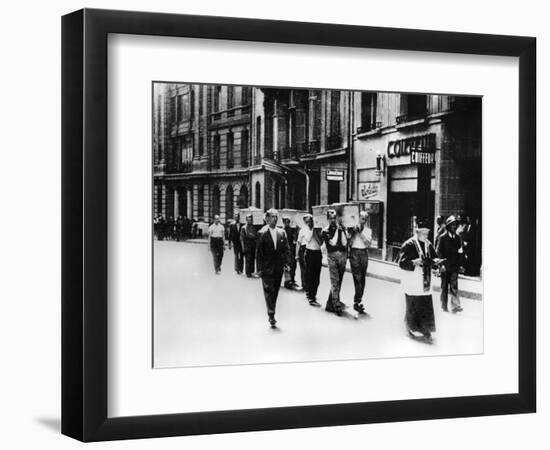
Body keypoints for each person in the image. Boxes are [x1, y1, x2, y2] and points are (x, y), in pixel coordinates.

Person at [398, 217, 443, 342]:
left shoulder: (428, 244)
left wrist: (437, 262)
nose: (426, 235)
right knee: (413, 304)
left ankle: (425, 327)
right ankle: (410, 327)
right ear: (417, 232)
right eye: (423, 233)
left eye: (427, 233)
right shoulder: (408, 244)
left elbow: (433, 258)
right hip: (413, 279)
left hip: (425, 280)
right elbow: (401, 263)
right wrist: (413, 262)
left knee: (425, 304)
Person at [255, 209, 290, 328]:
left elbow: (286, 250)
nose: (275, 219)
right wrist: (259, 269)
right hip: (267, 268)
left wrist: (287, 264)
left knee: (275, 291)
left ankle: (272, 309)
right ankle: (271, 314)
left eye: (276, 217)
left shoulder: (282, 232)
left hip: (278, 267)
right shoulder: (262, 233)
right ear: (267, 219)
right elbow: (259, 253)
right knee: (268, 291)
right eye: (272, 217)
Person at [321, 209, 350, 316]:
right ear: (327, 219)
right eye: (331, 218)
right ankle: (336, 305)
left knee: (339, 280)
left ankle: (330, 303)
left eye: (335, 218)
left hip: (342, 256)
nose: (333, 220)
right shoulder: (325, 231)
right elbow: (332, 242)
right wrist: (339, 230)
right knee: (335, 281)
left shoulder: (342, 229)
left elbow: (346, 241)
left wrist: (344, 230)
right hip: (332, 256)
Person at [436, 215, 463, 313]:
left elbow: (460, 252)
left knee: (454, 286)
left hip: (454, 266)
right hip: (445, 266)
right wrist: (441, 264)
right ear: (448, 226)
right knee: (444, 287)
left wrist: (460, 264)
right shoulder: (442, 238)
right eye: (452, 225)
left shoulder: (457, 238)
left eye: (456, 225)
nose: (454, 227)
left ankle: (455, 306)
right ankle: (444, 306)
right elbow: (439, 252)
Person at [349, 211, 372, 315]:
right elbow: (349, 243)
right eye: (361, 218)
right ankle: (358, 301)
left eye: (365, 219)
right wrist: (353, 233)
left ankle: (358, 299)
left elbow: (368, 244)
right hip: (354, 253)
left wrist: (360, 233)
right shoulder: (352, 229)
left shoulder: (368, 231)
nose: (363, 221)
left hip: (364, 253)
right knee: (357, 277)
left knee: (362, 278)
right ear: (358, 219)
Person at [297, 213, 322, 307]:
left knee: (317, 277)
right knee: (309, 275)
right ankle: (311, 297)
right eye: (307, 222)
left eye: (311, 221)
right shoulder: (305, 230)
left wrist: (317, 233)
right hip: (309, 253)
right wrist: (313, 231)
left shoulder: (318, 230)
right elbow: (307, 239)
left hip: (317, 253)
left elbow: (320, 243)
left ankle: (313, 294)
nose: (310, 223)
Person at [240, 213, 259, 277]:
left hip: (253, 244)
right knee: (248, 258)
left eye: (251, 220)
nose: (250, 221)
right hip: (247, 244)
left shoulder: (254, 227)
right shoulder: (244, 228)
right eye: (248, 220)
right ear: (246, 220)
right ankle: (248, 272)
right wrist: (243, 247)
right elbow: (242, 238)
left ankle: (252, 271)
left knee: (253, 258)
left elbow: (256, 235)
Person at [283, 216, 298, 289]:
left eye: (288, 222)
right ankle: (287, 281)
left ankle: (292, 279)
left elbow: (295, 237)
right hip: (286, 250)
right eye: (285, 222)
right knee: (287, 266)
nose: (287, 223)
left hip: (292, 249)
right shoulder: (283, 230)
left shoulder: (291, 230)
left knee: (293, 265)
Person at [295, 215, 309, 296]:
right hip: (303, 249)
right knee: (303, 268)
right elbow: (298, 242)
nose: (308, 223)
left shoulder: (313, 229)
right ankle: (304, 286)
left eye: (309, 221)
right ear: (304, 222)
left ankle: (309, 286)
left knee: (309, 269)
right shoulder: (302, 230)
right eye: (307, 221)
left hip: (310, 249)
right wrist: (296, 254)